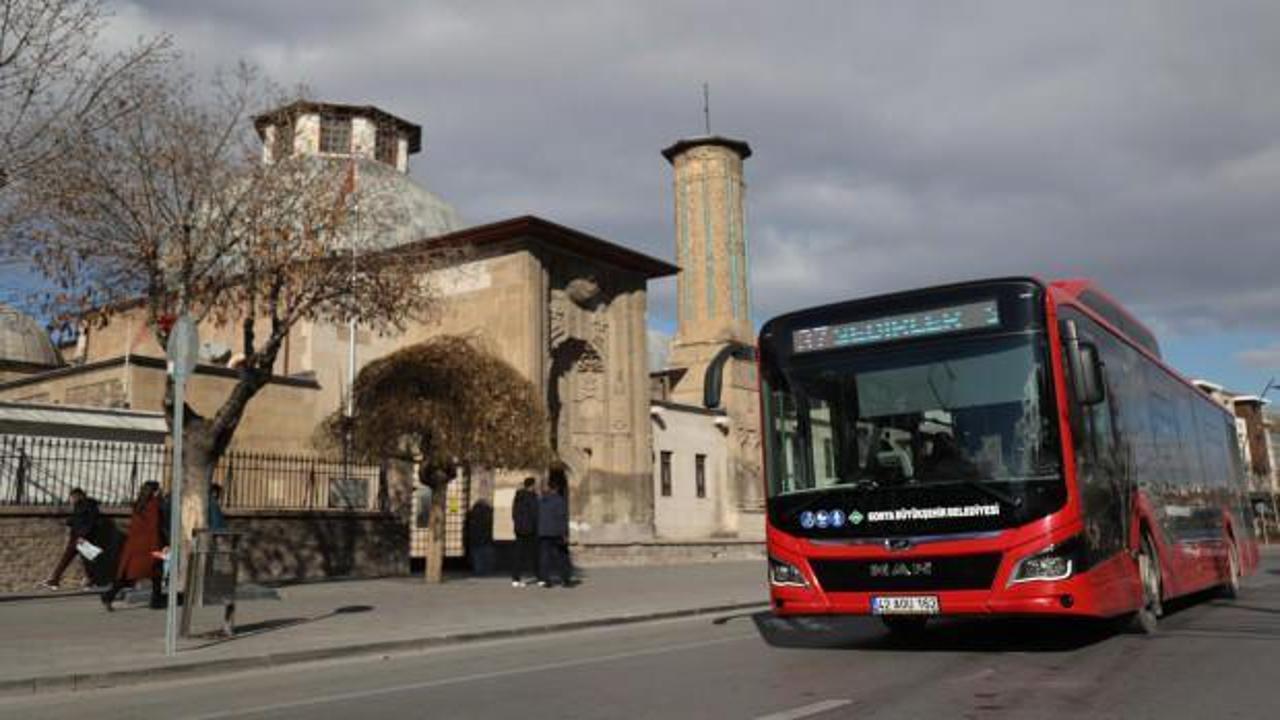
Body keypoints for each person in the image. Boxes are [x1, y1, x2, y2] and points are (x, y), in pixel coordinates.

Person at [101, 481, 167, 611]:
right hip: (150, 544)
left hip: (134, 546)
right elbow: (154, 527)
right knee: (156, 572)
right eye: (158, 490)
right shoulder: (154, 505)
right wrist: (158, 547)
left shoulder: (139, 504)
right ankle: (156, 601)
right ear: (155, 491)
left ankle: (109, 595)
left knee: (132, 574)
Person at [39, 488, 103, 591]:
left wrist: (82, 536)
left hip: (81, 538)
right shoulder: (80, 506)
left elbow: (90, 522)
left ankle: (91, 581)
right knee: (70, 559)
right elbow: (78, 520)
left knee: (86, 560)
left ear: (78, 496)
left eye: (72, 497)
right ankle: (55, 580)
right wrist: (69, 521)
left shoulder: (88, 506)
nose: (71, 500)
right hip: (76, 537)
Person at [537, 479, 574, 587]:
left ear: (549, 488)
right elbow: (562, 518)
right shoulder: (559, 500)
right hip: (556, 532)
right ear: (557, 488)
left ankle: (546, 580)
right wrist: (565, 533)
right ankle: (565, 579)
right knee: (562, 556)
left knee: (545, 557)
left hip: (544, 532)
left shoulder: (542, 500)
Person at [510, 477, 540, 587]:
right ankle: (539, 577)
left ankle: (515, 578)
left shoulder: (518, 497)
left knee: (518, 555)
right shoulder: (533, 497)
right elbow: (535, 513)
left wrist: (517, 524)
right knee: (535, 554)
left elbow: (514, 513)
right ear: (532, 485)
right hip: (531, 529)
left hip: (519, 529)